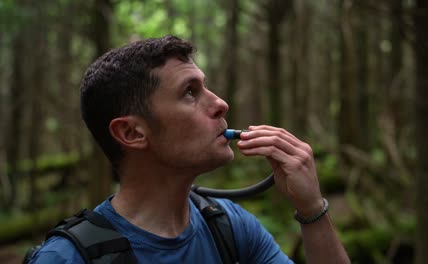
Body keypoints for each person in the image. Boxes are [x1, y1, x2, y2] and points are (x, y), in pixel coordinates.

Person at [28, 36, 349, 263]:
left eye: (205, 86)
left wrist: (311, 210)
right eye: (190, 92)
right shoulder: (67, 258)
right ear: (131, 132)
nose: (221, 104)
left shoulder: (228, 225)